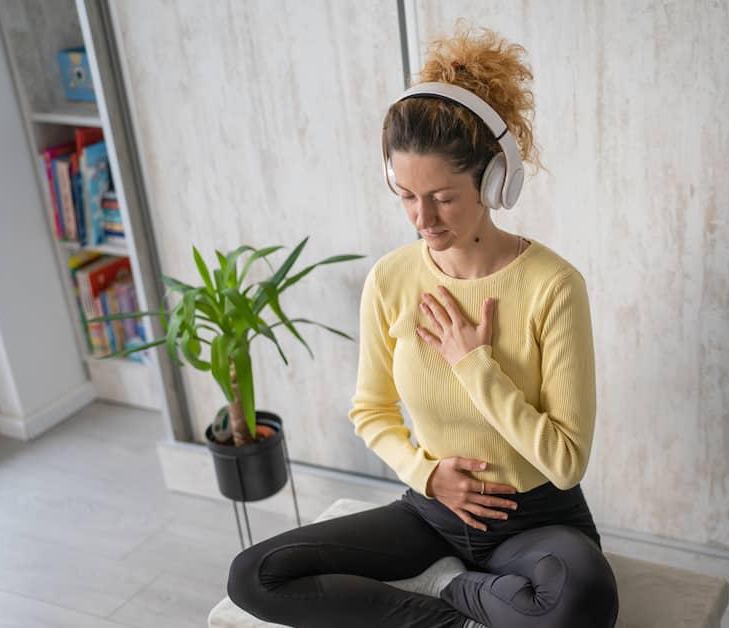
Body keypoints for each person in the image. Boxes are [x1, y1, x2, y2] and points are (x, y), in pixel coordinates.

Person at [226, 20, 618, 628]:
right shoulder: (391, 278)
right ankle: (452, 611)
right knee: (255, 574)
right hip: (432, 511)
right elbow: (371, 410)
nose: (422, 218)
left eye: (442, 197)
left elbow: (567, 461)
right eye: (405, 195)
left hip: (536, 519)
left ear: (492, 180)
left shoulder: (553, 285)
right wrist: (427, 474)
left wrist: (474, 366)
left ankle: (461, 589)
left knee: (582, 601)